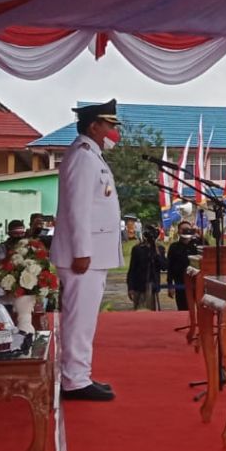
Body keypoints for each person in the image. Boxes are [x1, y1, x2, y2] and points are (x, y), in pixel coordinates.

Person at [52, 100, 124, 402]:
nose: (114, 132)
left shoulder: (92, 156)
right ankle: (74, 380)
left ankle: (78, 374)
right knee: (79, 320)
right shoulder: (82, 156)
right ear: (94, 125)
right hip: (83, 256)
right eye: (110, 125)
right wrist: (82, 251)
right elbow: (77, 209)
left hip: (92, 255)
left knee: (84, 320)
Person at [126, 225, 167, 310]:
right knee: (139, 310)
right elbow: (132, 269)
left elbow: (164, 266)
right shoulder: (137, 249)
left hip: (153, 285)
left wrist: (156, 251)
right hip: (139, 285)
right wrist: (130, 287)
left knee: (151, 311)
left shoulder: (160, 248)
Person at [166, 223, 201, 311]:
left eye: (188, 229)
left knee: (201, 308)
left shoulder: (197, 245)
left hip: (197, 282)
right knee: (183, 310)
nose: (186, 231)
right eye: (183, 229)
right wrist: (170, 285)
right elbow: (170, 267)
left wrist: (199, 236)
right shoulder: (174, 247)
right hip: (181, 283)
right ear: (178, 231)